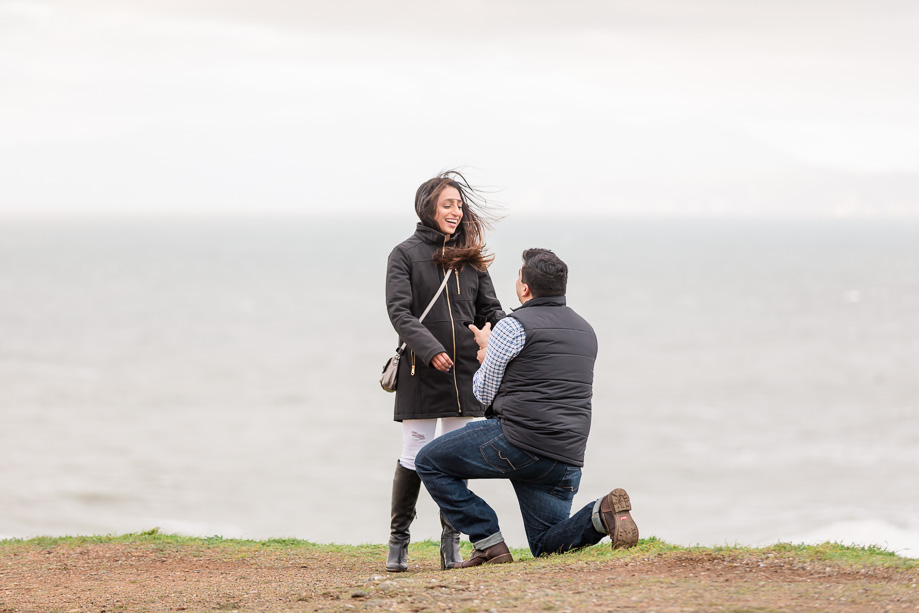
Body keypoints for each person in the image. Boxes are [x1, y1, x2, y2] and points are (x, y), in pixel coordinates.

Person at [415, 248, 639, 567]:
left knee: (429, 461)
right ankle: (601, 515)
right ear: (562, 287)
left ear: (524, 288)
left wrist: (485, 355)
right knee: (546, 546)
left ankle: (488, 541)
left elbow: (483, 391)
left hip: (519, 443)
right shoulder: (586, 330)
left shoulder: (513, 325)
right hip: (566, 457)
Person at [384, 171, 504, 572]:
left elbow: (491, 310)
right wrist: (431, 349)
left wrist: (499, 336)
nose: (455, 211)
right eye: (447, 204)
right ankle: (398, 545)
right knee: (414, 455)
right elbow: (399, 311)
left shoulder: (470, 257)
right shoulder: (403, 254)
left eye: (458, 204)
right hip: (420, 368)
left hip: (464, 373)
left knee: (452, 459)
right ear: (428, 207)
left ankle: (451, 545)